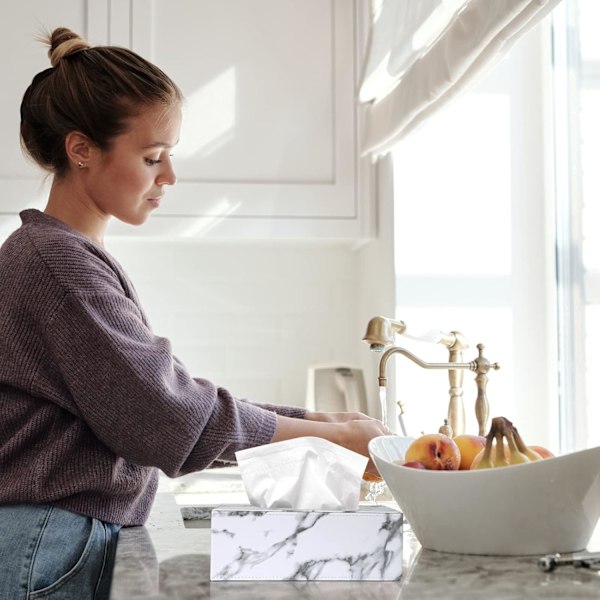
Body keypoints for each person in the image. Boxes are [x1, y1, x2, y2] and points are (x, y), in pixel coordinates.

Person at [0, 27, 388, 599]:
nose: (170, 177)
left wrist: (320, 423)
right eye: (152, 156)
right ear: (81, 149)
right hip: (50, 545)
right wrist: (322, 439)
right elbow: (167, 418)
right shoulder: (58, 264)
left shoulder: (58, 254)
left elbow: (162, 395)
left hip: (52, 540)